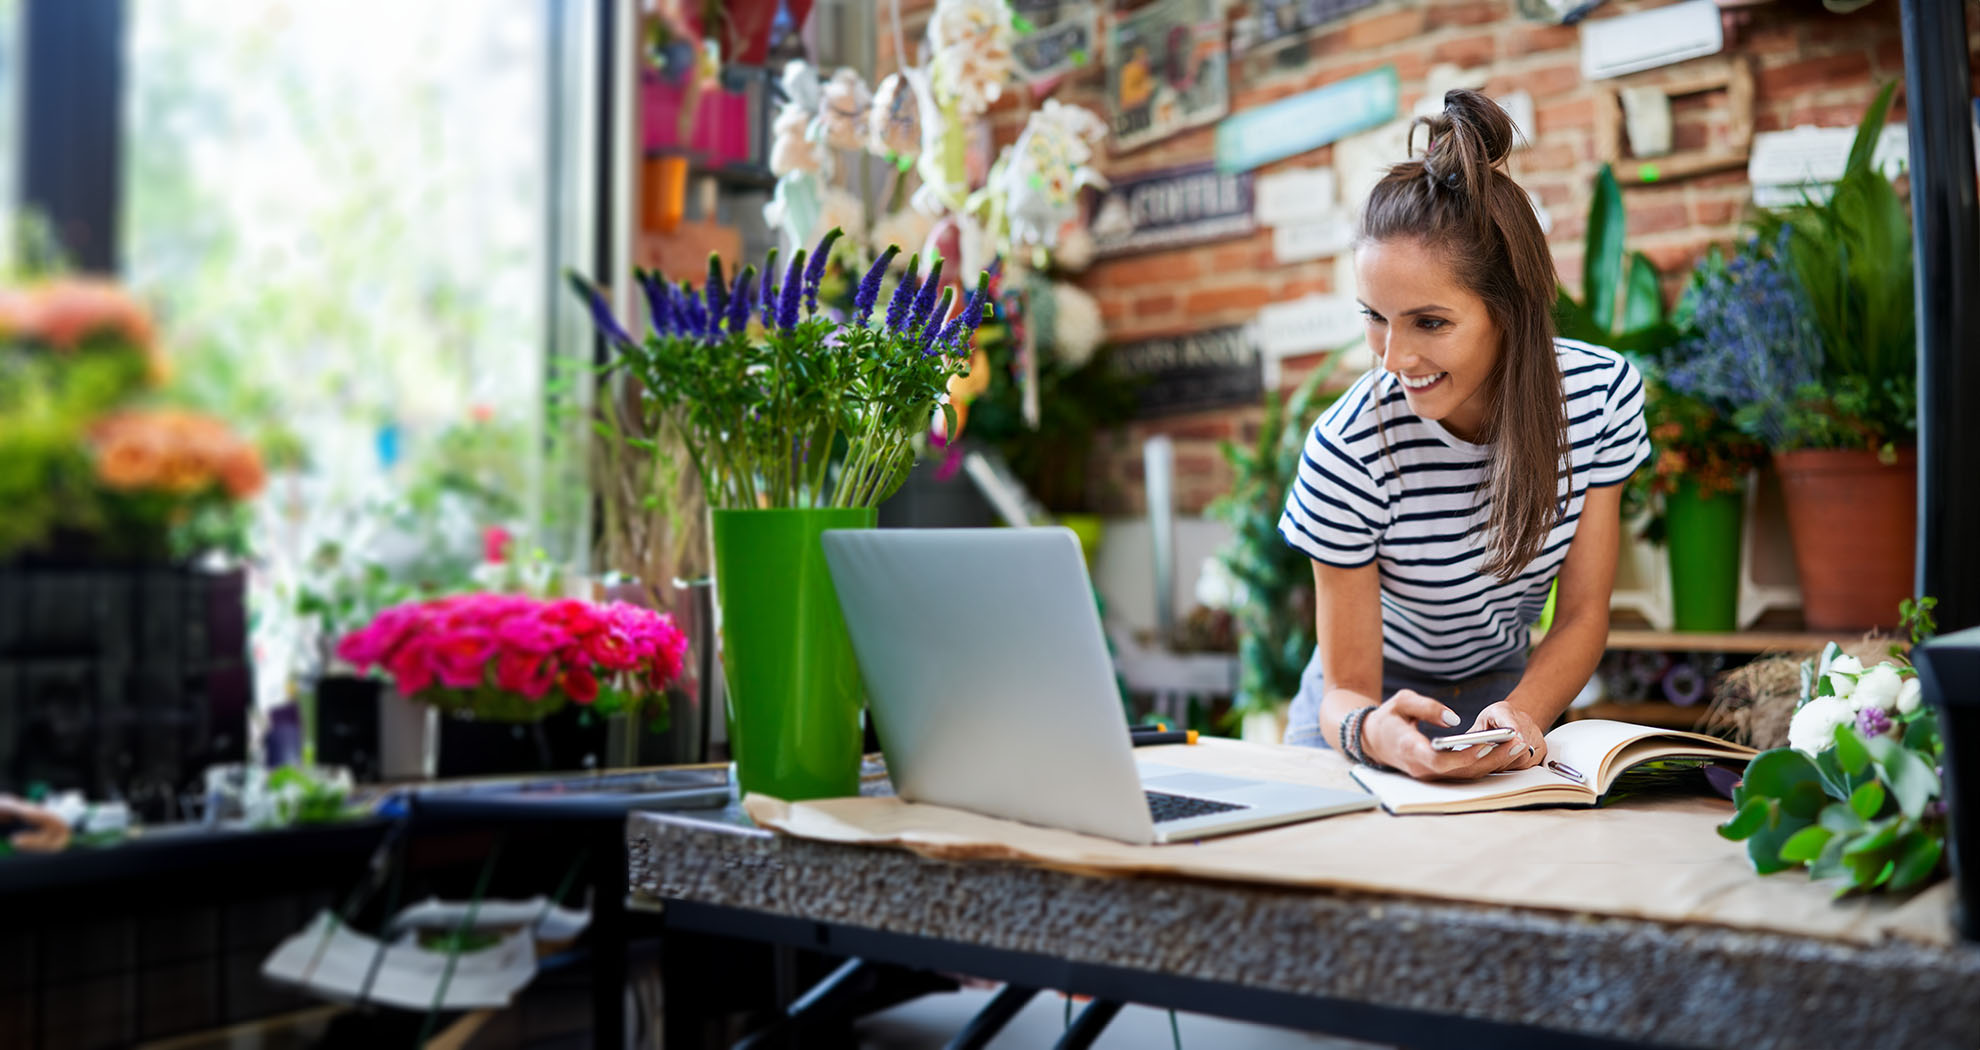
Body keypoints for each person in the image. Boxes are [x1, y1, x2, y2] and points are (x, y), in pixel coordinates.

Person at [1279, 89, 1648, 781]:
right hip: (1369, 717)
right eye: (1375, 318)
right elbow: (1345, 691)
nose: (1392, 360)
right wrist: (1374, 732)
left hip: (1507, 698)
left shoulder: (1599, 401)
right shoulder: (1348, 447)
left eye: (1430, 323)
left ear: (1508, 309)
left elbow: (1581, 616)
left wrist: (1523, 713)